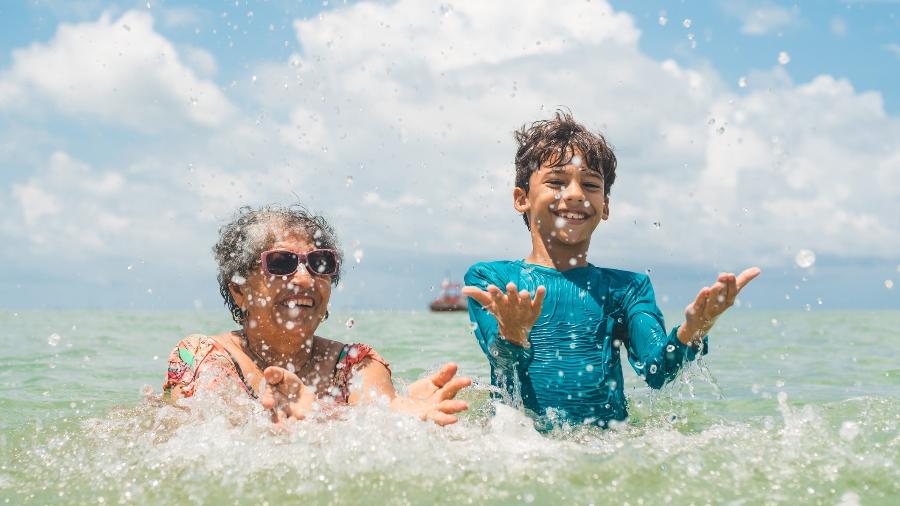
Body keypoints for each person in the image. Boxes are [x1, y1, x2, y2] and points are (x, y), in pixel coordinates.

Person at [463, 111, 760, 428]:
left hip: (605, 446)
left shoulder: (628, 289)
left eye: (590, 184)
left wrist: (694, 331)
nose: (576, 194)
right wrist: (513, 333)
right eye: (556, 181)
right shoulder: (493, 281)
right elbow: (503, 363)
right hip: (523, 446)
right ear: (522, 198)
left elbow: (658, 371)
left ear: (605, 205)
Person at [164, 204, 471, 426]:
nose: (304, 279)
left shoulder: (356, 364)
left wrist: (407, 414)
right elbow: (203, 437)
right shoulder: (203, 356)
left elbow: (380, 419)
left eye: (319, 263)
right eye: (282, 263)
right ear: (240, 291)